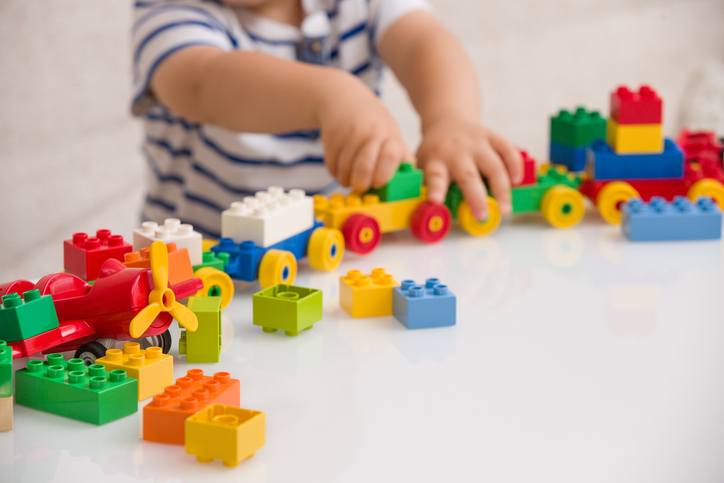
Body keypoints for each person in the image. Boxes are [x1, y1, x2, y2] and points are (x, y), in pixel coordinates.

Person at [132, 0, 522, 238]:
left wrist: (450, 117)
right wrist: (331, 93)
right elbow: (206, 84)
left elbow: (423, 39)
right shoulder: (171, 11)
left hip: (333, 245)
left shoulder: (357, 5)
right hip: (201, 266)